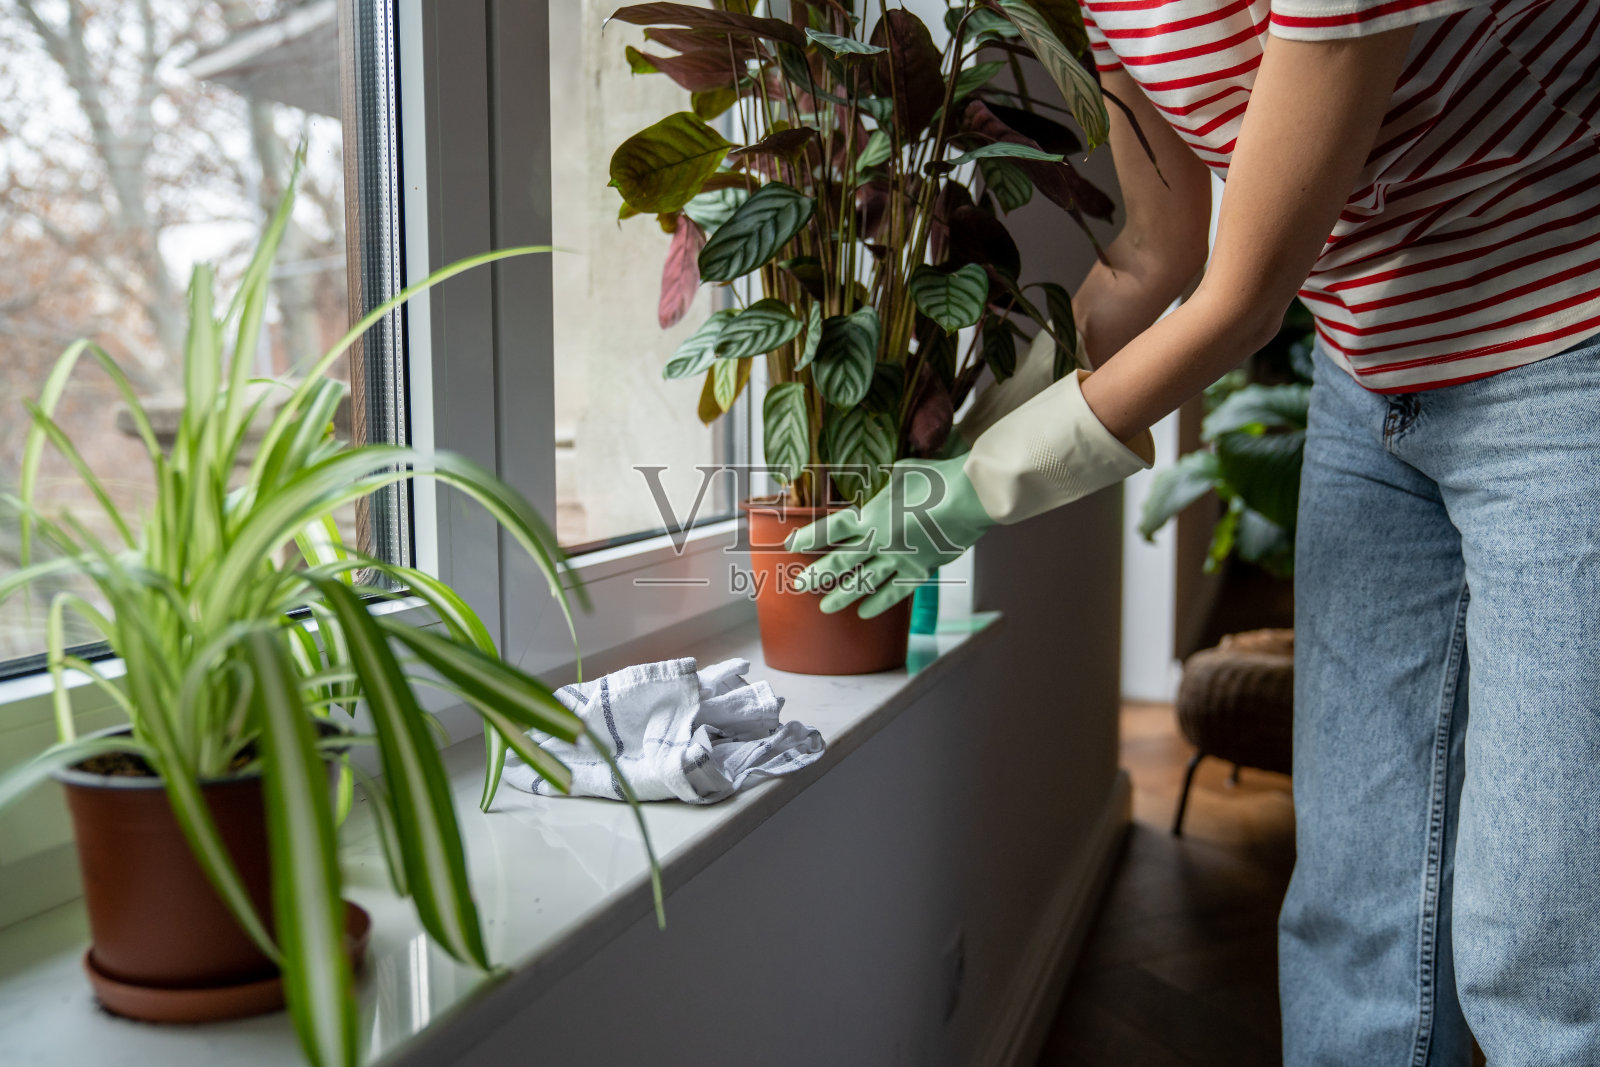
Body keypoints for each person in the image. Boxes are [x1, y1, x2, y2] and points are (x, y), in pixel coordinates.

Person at [788, 1, 1600, 1063]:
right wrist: (974, 422)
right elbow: (1151, 252)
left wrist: (988, 483)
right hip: (1373, 377)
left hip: (1564, 359)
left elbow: (1243, 300)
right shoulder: (1110, 6)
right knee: (1357, 909)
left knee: (1536, 945)